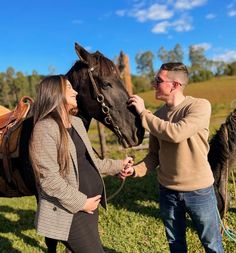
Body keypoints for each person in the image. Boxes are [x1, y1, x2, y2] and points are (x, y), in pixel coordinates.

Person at [122, 62, 224, 253]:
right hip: (167, 192)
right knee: (175, 245)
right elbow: (153, 156)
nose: (153, 84)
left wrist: (144, 113)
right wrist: (135, 169)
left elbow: (176, 133)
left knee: (212, 244)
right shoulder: (158, 116)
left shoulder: (199, 106)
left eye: (158, 80)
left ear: (175, 85)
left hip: (199, 191)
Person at [29, 75, 133, 253]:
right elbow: (48, 180)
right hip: (68, 211)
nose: (75, 91)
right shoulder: (44, 128)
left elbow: (91, 161)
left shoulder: (76, 122)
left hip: (90, 207)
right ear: (55, 93)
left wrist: (119, 165)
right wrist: (81, 203)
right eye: (69, 87)